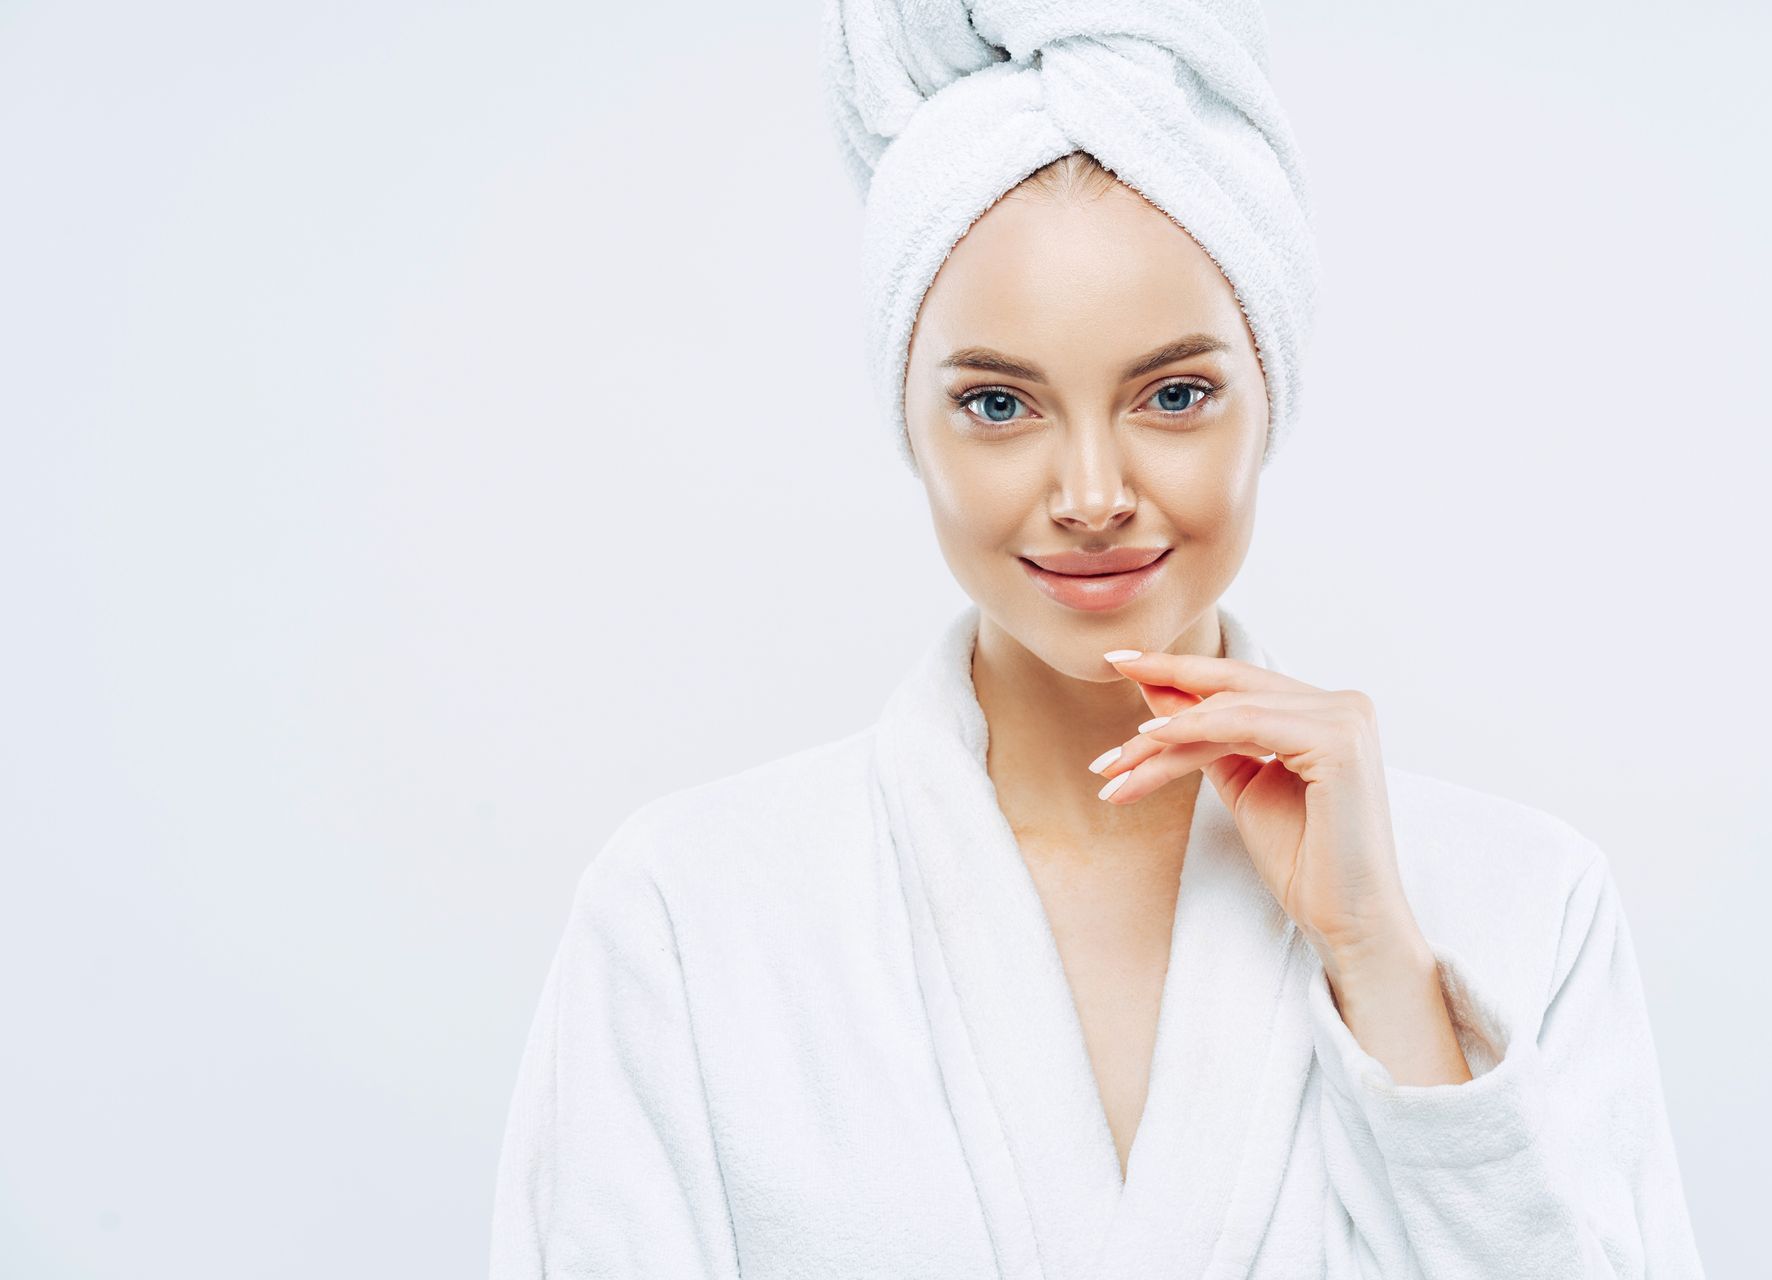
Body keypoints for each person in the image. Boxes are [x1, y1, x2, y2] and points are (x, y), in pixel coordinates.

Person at [489, 2, 1707, 1276]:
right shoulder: (693, 913)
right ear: (910, 420)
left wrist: (1383, 963)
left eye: (1173, 394)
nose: (1088, 491)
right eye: (998, 402)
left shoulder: (1524, 899)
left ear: (1268, 395)